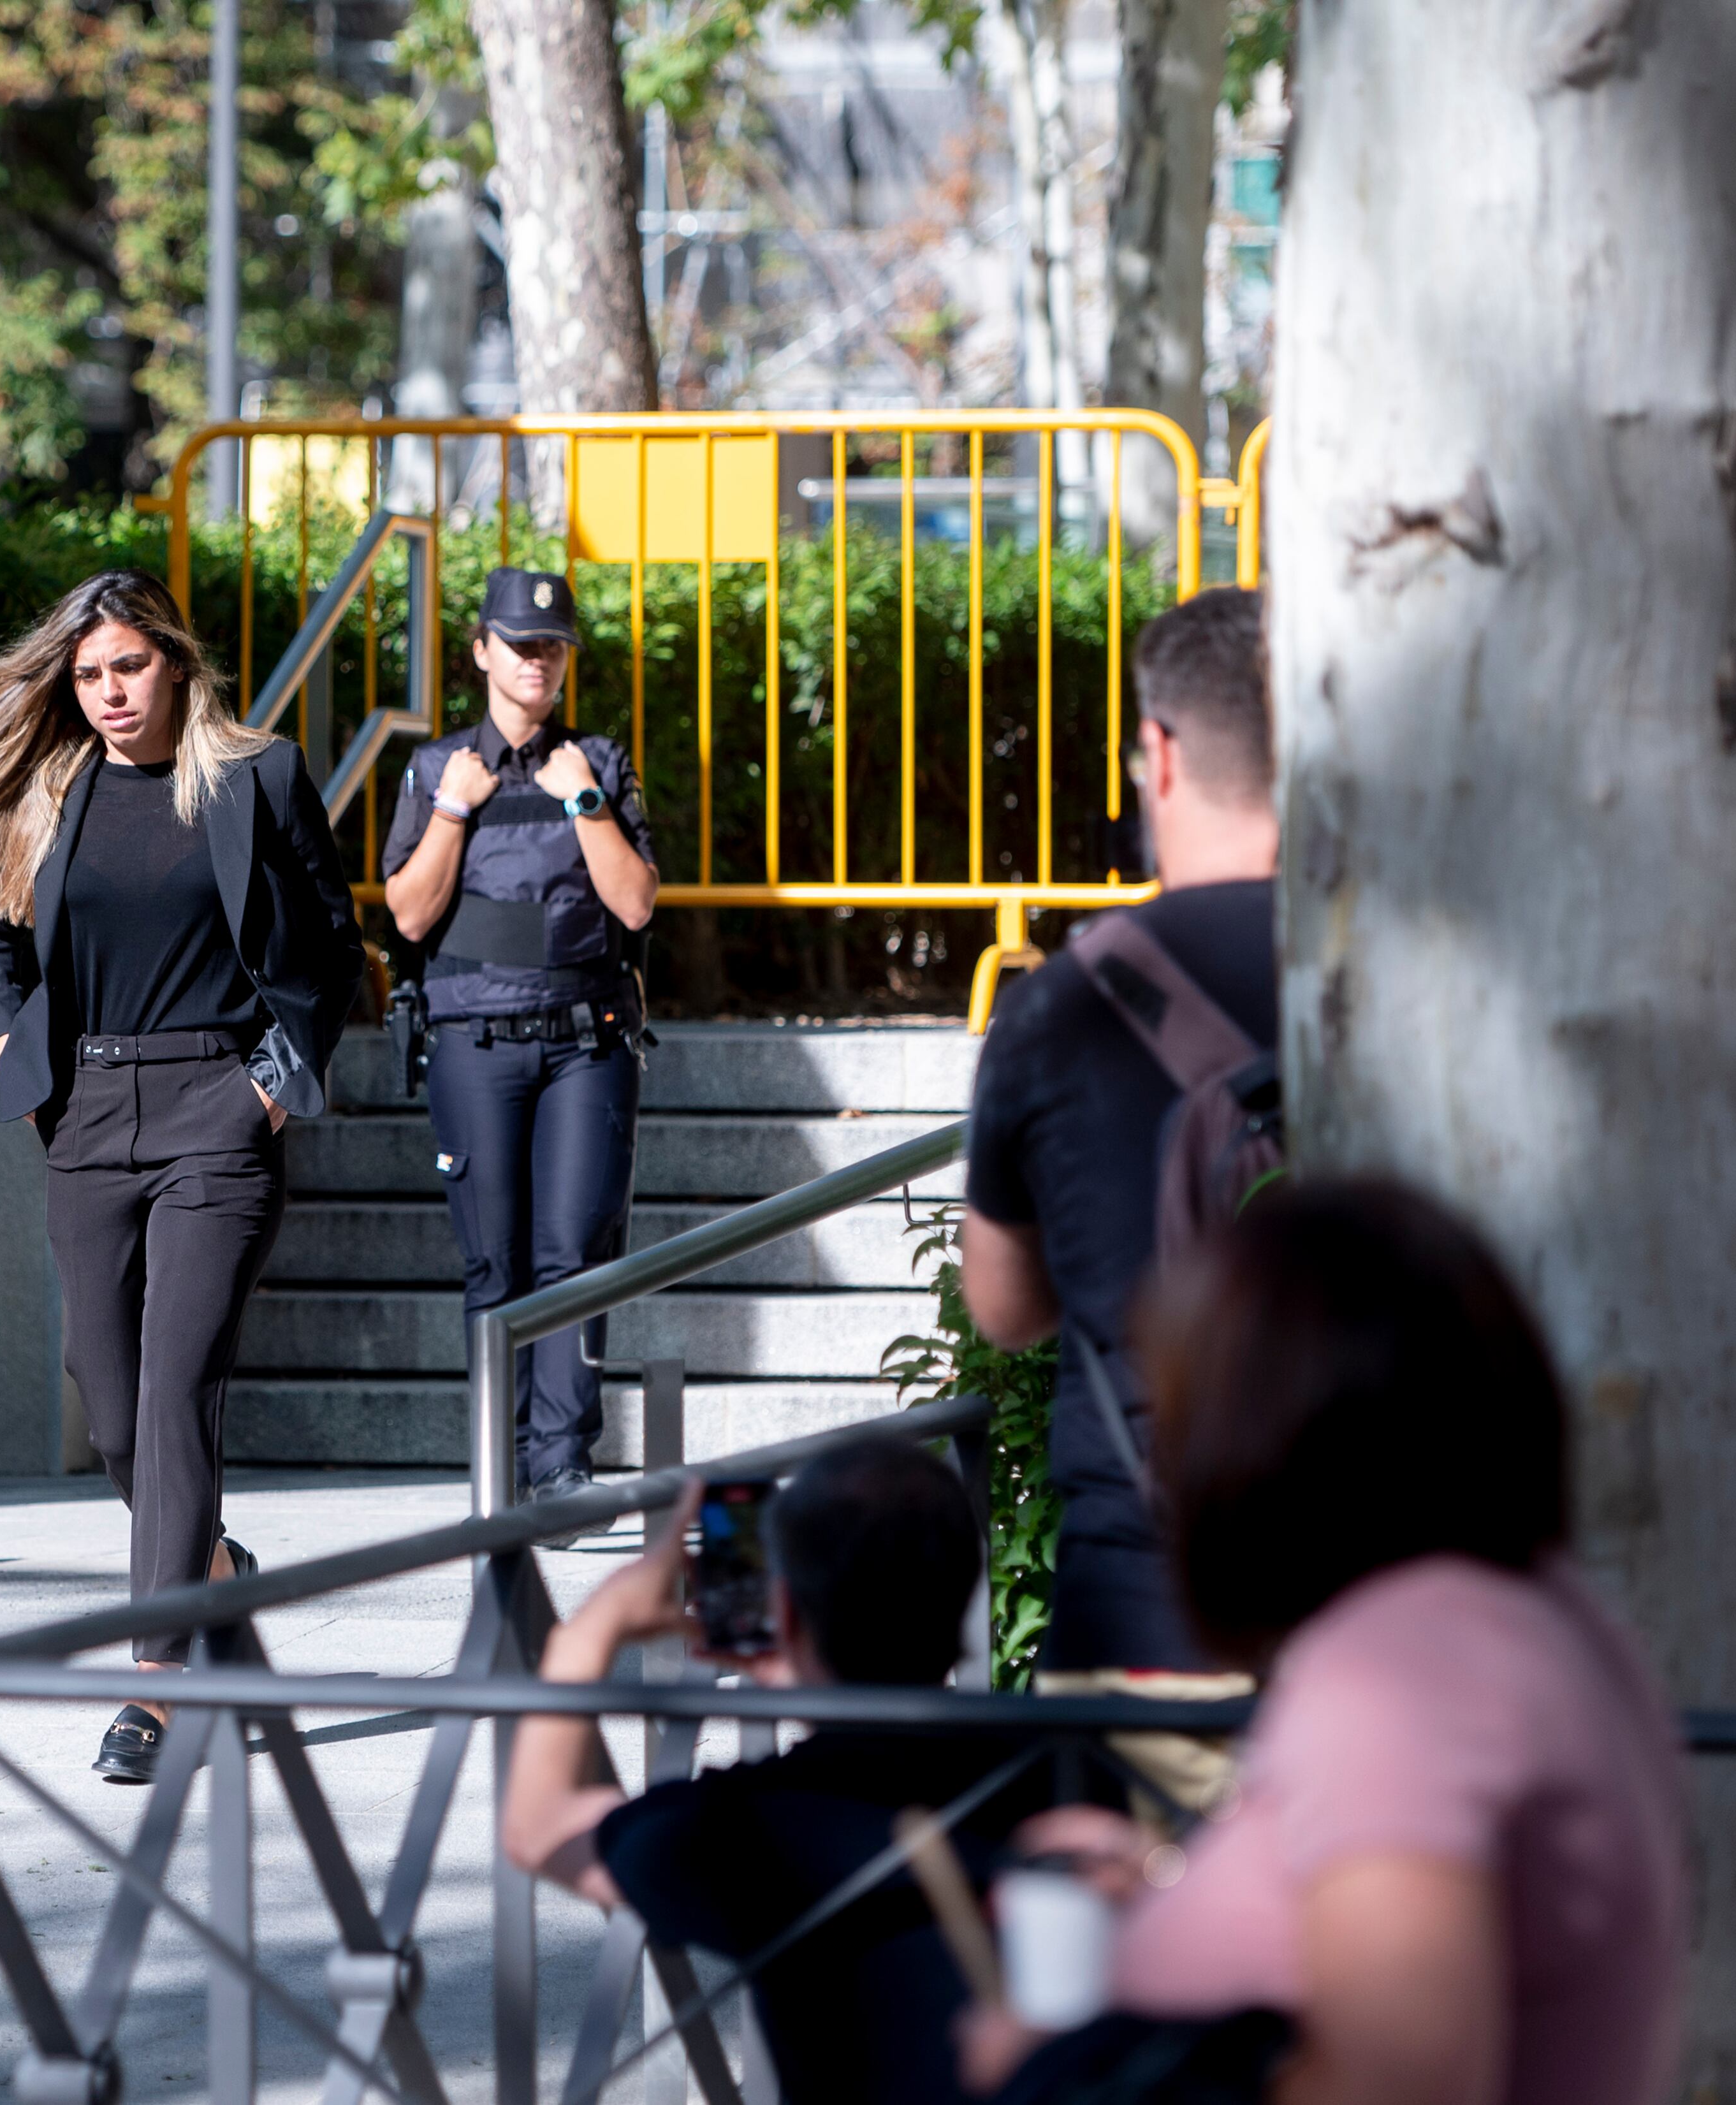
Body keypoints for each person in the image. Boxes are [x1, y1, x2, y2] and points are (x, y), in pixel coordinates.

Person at [965, 1181, 1690, 2105]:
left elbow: (1396, 2083)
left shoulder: (1400, 1667)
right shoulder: (1539, 1613)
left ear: (1254, 1440)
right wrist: (1176, 1897)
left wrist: (1058, 2058)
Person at [0, 568, 360, 1784]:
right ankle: (211, 1567)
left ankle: (155, 1683)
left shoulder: (257, 778)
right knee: (109, 1405)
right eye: (90, 674)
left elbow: (330, 941)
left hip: (220, 1104)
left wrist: (272, 1076)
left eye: (129, 668)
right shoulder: (49, 790)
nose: (109, 693)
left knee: (178, 1378)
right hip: (87, 1111)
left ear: (177, 663)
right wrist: (11, 1047)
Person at [503, 1434, 1058, 2104]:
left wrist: (587, 1633)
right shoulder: (1061, 1763)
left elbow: (537, 1827)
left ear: (786, 1612)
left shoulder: (748, 1826)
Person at [958, 585, 1273, 1691]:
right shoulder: (1415, 969)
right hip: (1385, 1619)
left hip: (1147, 1616)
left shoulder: (1065, 1002)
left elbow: (1005, 1308)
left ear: (1161, 750)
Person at [381, 568, 658, 1526]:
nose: (538, 660)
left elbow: (633, 903)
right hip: (474, 1042)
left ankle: (563, 1464)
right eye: (521, 643)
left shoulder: (600, 765)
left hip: (586, 1041)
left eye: (552, 646)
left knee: (574, 1252)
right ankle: (500, 1466)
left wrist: (584, 800)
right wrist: (455, 808)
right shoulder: (436, 770)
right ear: (482, 651)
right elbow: (410, 918)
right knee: (494, 1262)